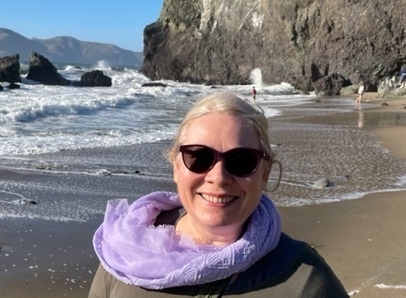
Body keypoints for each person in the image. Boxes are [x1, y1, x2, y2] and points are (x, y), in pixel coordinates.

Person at [88, 92, 348, 297]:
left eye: (242, 160)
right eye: (199, 157)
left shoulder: (302, 279)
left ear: (265, 173)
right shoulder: (124, 250)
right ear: (177, 166)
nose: (219, 177)